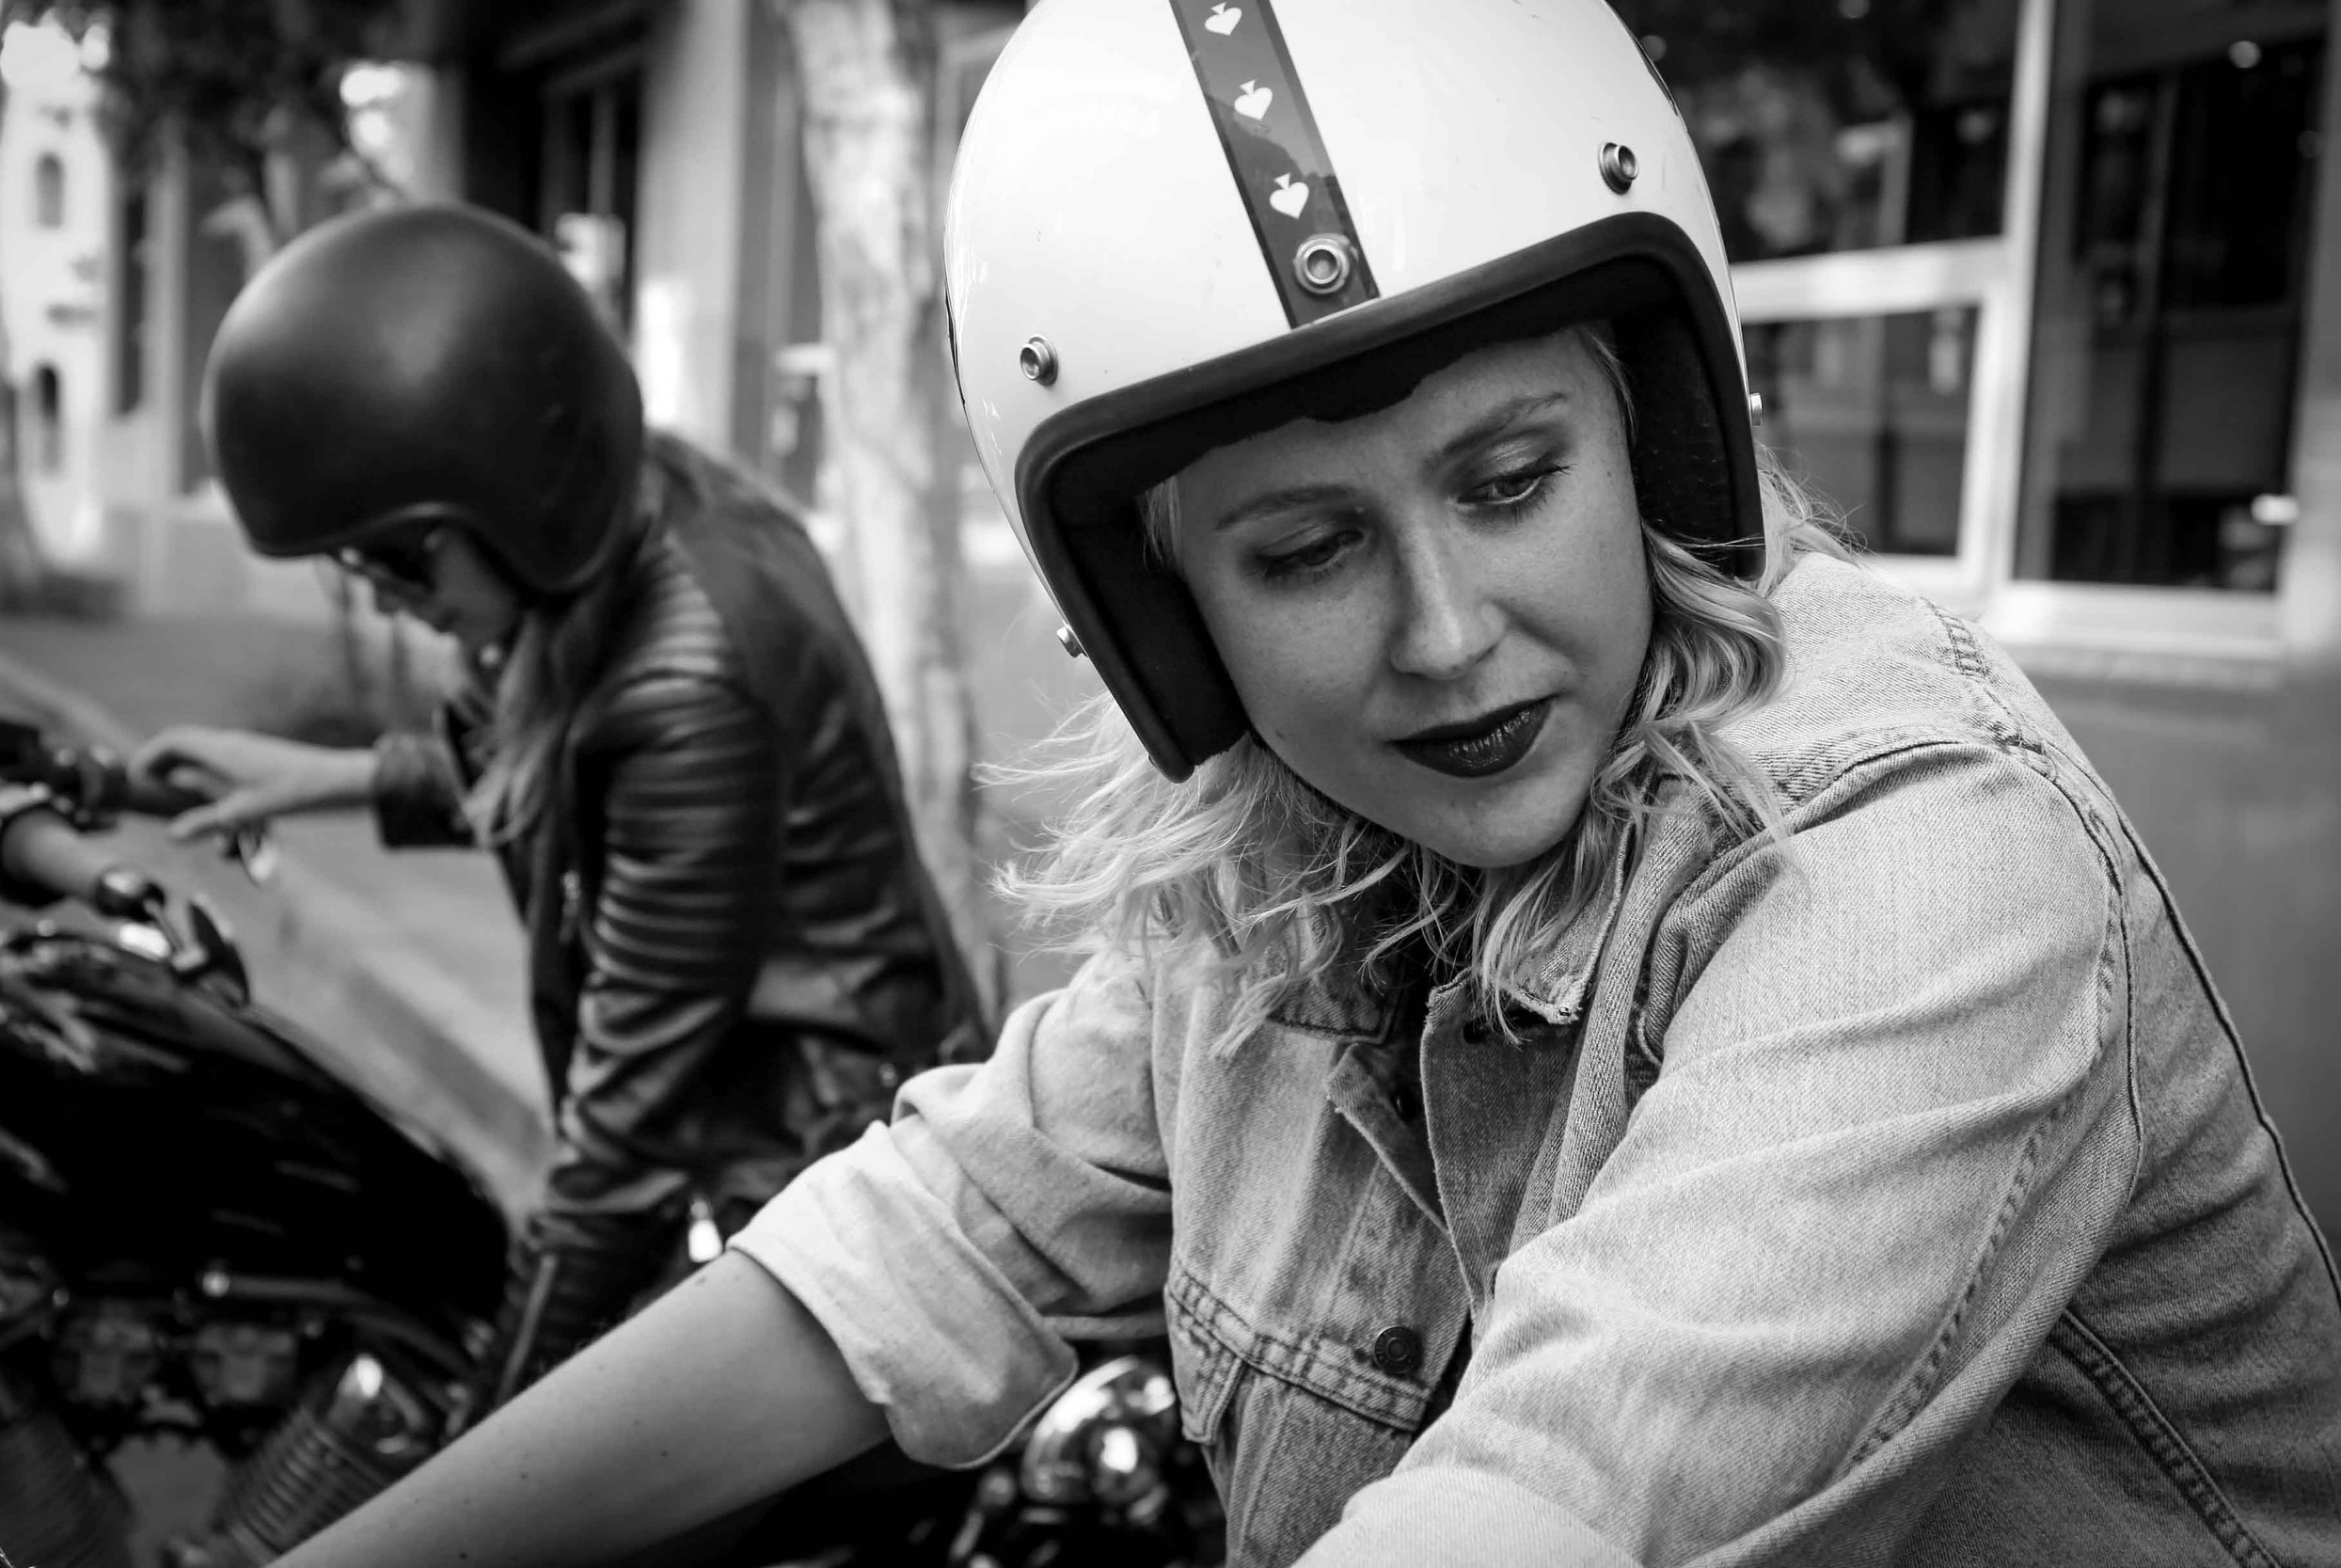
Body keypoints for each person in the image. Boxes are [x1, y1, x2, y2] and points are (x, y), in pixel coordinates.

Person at [263, 3, 2341, 1564]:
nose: (1444, 633)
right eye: (1306, 549)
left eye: (1508, 479)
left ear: (1659, 443)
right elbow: (930, 1238)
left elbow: (1567, 1490)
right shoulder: (1297, 867)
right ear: (1164, 618)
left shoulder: (1923, 861)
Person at [134, 202, 989, 1410]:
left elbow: (618, 1149)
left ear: (516, 499)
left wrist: (489, 1453)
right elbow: (578, 773)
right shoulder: (652, 519)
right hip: (764, 1135)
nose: (383, 598)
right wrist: (330, 775)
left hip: (810, 1187)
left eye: (400, 556)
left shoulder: (689, 683)